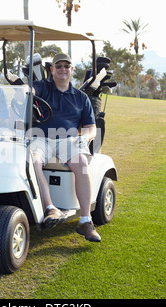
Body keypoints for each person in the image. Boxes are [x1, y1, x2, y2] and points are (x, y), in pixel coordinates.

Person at [31, 53, 101, 242]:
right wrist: (25, 90)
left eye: (66, 66)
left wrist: (85, 138)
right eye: (58, 66)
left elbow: (90, 127)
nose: (62, 69)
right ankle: (50, 208)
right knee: (33, 161)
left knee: (81, 164)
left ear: (71, 70)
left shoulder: (80, 97)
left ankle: (85, 220)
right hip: (41, 138)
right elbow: (29, 91)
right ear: (51, 69)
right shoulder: (42, 87)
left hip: (68, 139)